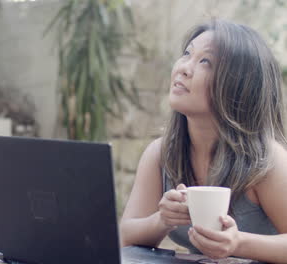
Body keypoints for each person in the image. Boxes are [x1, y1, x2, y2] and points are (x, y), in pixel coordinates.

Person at [119, 19, 287, 263]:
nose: (185, 68)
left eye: (205, 61)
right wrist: (162, 220)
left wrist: (238, 242)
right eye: (187, 53)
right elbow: (125, 238)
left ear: (238, 84)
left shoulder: (266, 160)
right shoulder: (161, 153)